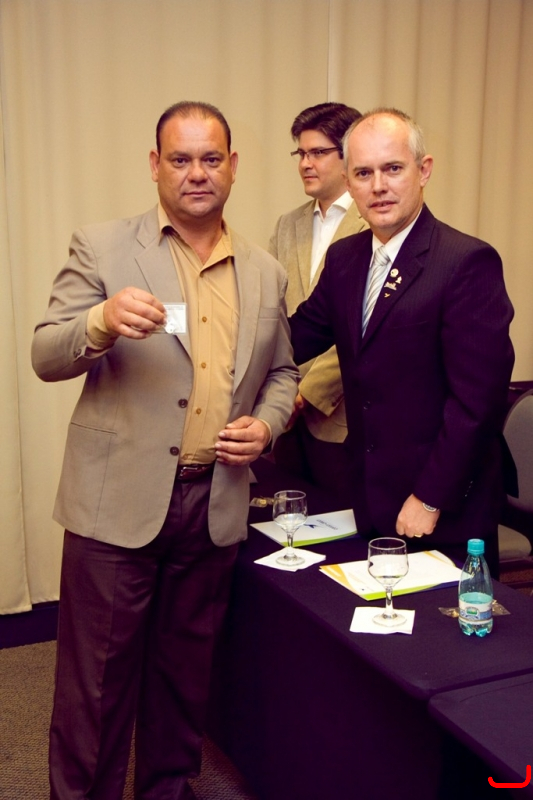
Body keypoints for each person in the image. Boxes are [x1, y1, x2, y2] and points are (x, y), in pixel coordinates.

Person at [31, 101, 298, 800]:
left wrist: (267, 425)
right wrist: (99, 320)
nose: (196, 173)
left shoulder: (265, 271)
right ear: (155, 166)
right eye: (180, 159)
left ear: (233, 167)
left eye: (210, 159)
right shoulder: (102, 247)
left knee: (183, 684)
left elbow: (283, 373)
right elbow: (46, 354)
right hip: (114, 508)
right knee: (95, 692)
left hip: (212, 505)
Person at [289, 107, 514, 574]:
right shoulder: (345, 258)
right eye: (363, 173)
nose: (378, 186)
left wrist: (431, 497)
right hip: (370, 497)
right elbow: (296, 336)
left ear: (423, 170)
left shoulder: (466, 262)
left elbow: (478, 404)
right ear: (348, 183)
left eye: (393, 168)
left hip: (445, 507)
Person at [269, 102, 367, 505]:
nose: (305, 164)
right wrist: (278, 391)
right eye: (301, 153)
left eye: (318, 153)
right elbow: (275, 315)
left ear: (348, 156)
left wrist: (306, 394)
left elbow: (364, 325)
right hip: (284, 415)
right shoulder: (287, 224)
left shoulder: (373, 222)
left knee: (341, 525)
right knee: (287, 525)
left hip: (342, 419)